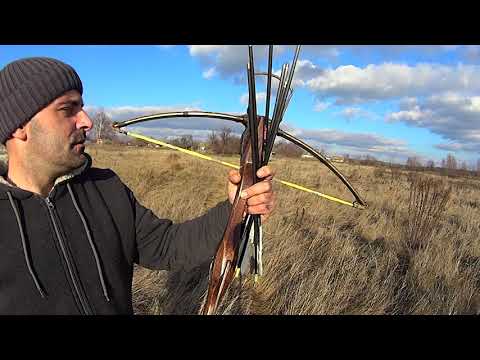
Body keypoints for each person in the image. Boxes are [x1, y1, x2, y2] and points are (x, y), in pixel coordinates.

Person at [0, 57, 276, 315]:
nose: (86, 120)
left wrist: (235, 206)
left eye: (81, 107)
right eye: (67, 109)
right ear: (19, 127)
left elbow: (168, 246)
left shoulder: (106, 188)